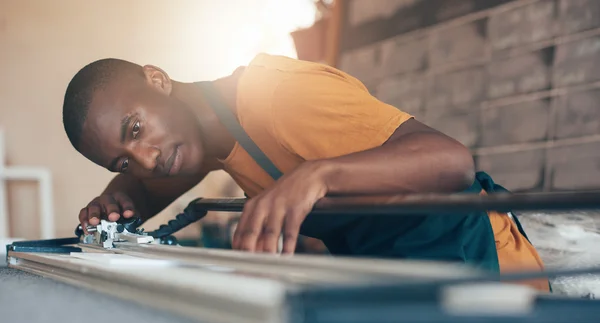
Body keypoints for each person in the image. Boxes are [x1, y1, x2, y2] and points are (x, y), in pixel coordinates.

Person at [61, 53, 548, 291]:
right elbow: (153, 175)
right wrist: (117, 198)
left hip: (488, 275)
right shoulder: (198, 140)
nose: (146, 159)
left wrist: (317, 175)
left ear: (158, 80)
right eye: (122, 159)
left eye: (135, 127)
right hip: (403, 280)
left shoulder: (277, 98)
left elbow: (451, 159)